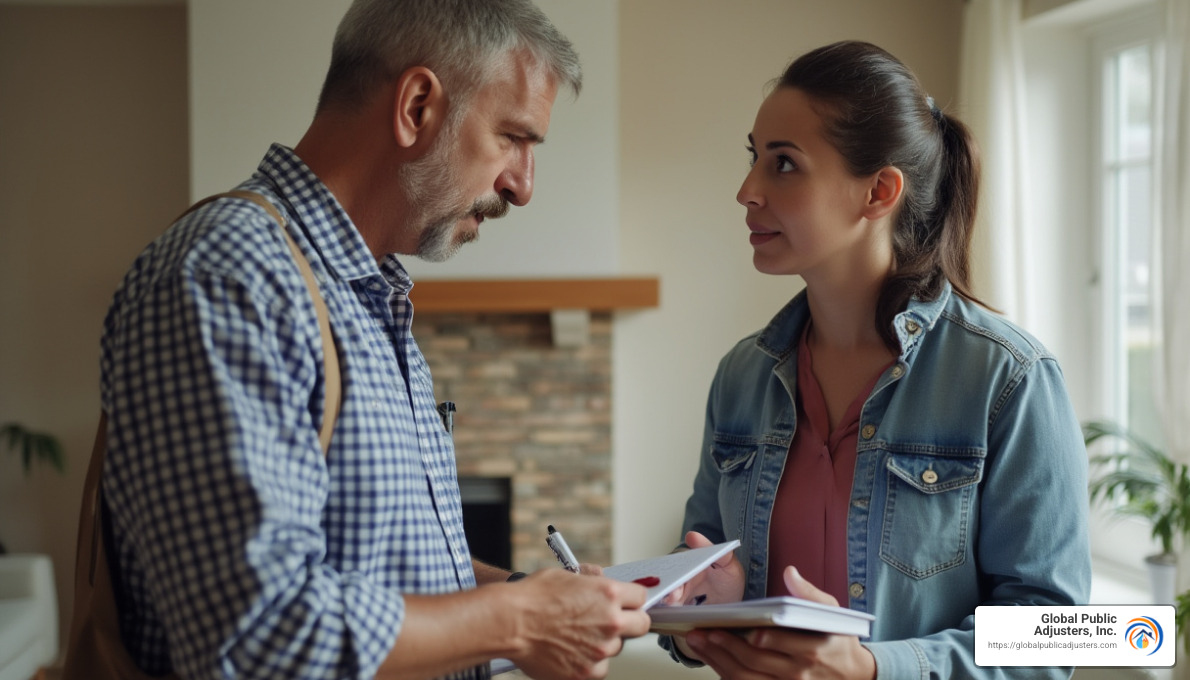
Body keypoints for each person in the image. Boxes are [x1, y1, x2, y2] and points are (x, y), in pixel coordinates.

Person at [96, 1, 649, 678]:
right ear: (417, 107)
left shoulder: (366, 294)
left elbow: (386, 562)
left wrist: (527, 594)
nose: (523, 186)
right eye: (513, 137)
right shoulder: (228, 277)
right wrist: (523, 621)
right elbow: (257, 638)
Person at [659, 41, 1090, 679]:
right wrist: (700, 613)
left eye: (784, 164)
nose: (747, 191)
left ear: (879, 191)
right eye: (755, 158)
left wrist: (872, 669)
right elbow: (698, 567)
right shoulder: (741, 376)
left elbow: (1061, 635)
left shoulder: (1009, 378)